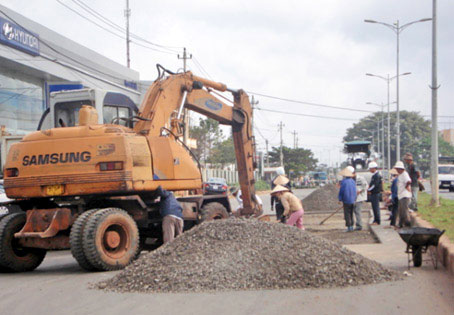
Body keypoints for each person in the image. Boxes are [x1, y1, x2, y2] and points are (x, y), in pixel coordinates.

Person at [338, 167, 357, 232]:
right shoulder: (353, 181)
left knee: (347, 213)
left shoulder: (344, 182)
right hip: (352, 199)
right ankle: (351, 225)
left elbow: (341, 191)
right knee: (351, 213)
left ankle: (349, 226)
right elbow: (355, 191)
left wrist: (340, 199)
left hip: (346, 199)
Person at [394, 161, 412, 228]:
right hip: (401, 195)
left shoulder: (405, 174)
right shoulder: (400, 175)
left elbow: (409, 181)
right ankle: (400, 224)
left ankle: (408, 224)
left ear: (401, 169)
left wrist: (406, 186)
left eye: (398, 169)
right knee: (400, 211)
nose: (397, 170)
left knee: (404, 211)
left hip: (405, 195)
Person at [351, 166, 367, 231]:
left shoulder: (360, 178)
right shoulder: (351, 179)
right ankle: (357, 224)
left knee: (358, 211)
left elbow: (366, 186)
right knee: (355, 211)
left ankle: (359, 225)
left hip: (359, 197)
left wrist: (360, 191)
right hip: (353, 197)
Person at [367, 161, 382, 225]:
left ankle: (377, 220)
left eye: (370, 169)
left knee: (376, 207)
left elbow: (374, 185)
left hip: (375, 193)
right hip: (373, 193)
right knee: (374, 207)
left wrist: (368, 190)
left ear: (373, 168)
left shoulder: (377, 176)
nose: (370, 170)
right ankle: (375, 219)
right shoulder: (374, 176)